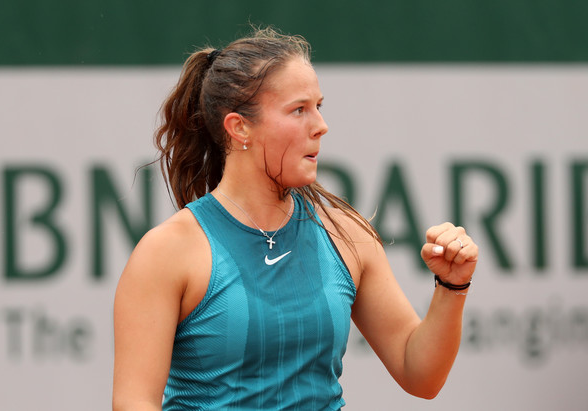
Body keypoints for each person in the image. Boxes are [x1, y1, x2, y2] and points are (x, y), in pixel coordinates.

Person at [112, 26, 479, 411]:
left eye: (319, 107)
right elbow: (134, 403)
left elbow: (419, 374)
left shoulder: (347, 235)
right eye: (299, 110)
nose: (320, 125)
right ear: (240, 128)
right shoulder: (166, 252)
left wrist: (452, 287)